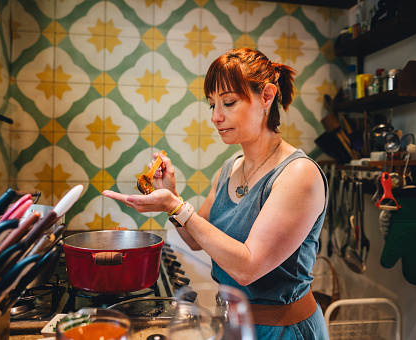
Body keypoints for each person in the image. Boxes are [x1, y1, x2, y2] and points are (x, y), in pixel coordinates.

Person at [103, 47, 329, 339]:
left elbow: (248, 268)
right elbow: (197, 241)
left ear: (267, 97)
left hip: (283, 330)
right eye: (212, 105)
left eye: (229, 102)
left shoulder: (299, 174)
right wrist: (170, 198)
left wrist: (177, 207)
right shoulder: (231, 167)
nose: (216, 117)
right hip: (233, 324)